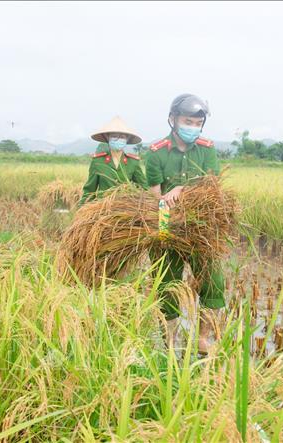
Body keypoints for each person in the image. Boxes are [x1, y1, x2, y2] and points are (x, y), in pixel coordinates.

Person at [145, 93, 223, 354]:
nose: (192, 127)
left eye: (196, 122)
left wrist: (182, 188)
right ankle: (169, 341)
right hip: (168, 227)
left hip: (202, 228)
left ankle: (203, 339)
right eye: (187, 121)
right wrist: (166, 201)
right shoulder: (156, 153)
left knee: (213, 282)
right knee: (167, 284)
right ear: (173, 120)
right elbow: (155, 196)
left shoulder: (207, 149)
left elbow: (212, 187)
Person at [80, 116, 147, 204]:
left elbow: (144, 188)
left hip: (125, 210)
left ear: (127, 139)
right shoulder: (98, 162)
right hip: (102, 210)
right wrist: (82, 212)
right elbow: (89, 192)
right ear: (108, 138)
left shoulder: (133, 162)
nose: (118, 139)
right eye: (114, 136)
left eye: (122, 137)